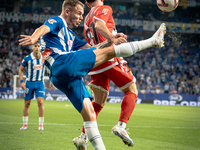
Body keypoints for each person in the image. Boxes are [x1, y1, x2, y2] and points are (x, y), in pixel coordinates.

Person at [19, 0, 166, 149]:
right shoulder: (58, 21)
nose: (81, 18)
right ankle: (153, 41)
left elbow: (93, 48)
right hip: (62, 62)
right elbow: (43, 27)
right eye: (78, 13)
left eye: (82, 14)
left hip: (60, 78)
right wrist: (33, 37)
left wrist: (110, 41)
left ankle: (91, 144)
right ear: (68, 11)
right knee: (111, 53)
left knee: (89, 113)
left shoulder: (70, 36)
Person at [72, 0, 138, 148]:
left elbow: (96, 29)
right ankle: (121, 126)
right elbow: (100, 25)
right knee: (131, 90)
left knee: (98, 103)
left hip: (95, 62)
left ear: (87, 4)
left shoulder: (87, 15)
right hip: (109, 57)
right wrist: (112, 38)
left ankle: (83, 137)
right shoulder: (103, 8)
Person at [19, 40, 45, 130]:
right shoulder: (27, 58)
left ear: (40, 47)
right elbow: (20, 70)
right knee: (27, 103)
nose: (37, 47)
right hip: (29, 83)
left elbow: (50, 69)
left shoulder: (44, 57)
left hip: (40, 83)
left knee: (40, 102)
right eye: (35, 46)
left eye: (38, 46)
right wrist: (22, 81)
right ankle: (25, 124)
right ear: (32, 47)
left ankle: (41, 125)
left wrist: (52, 81)